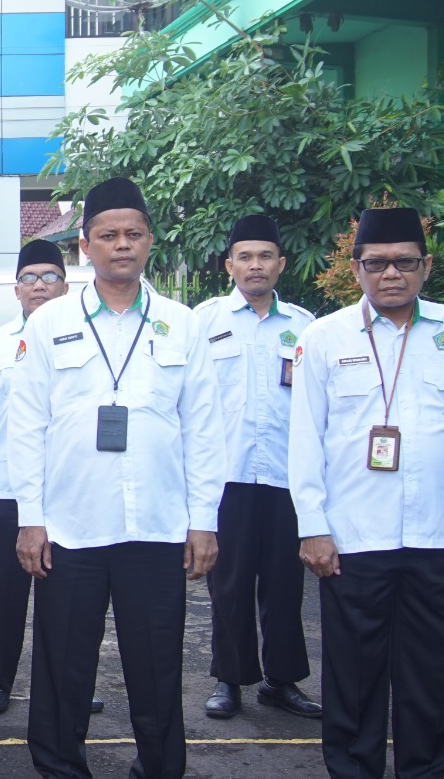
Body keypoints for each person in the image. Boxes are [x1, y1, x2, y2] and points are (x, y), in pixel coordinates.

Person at [6, 176, 224, 779]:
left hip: (156, 526)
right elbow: (26, 427)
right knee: (63, 669)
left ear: (150, 241)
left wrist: (204, 521)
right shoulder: (49, 324)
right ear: (85, 246)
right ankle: (60, 769)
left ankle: (158, 769)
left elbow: (205, 430)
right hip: (70, 527)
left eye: (133, 234)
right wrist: (31, 520)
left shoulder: (182, 324)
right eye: (107, 235)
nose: (121, 244)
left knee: (157, 669)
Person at [289, 206, 444, 779]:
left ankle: (424, 769)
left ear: (425, 266)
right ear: (355, 268)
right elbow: (304, 440)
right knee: (354, 672)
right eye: (377, 263)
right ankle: (353, 770)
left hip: (436, 533)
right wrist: (312, 526)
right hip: (355, 537)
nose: (391, 274)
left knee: (430, 670)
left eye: (405, 263)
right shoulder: (323, 337)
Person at [0, 239, 101, 717]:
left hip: (69, 492)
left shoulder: (90, 340)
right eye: (29, 278)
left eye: (50, 276)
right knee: (1, 595)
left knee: (71, 600)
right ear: (16, 289)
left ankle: (70, 685)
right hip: (4, 491)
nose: (40, 286)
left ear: (65, 286)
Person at [192, 215, 321, 721]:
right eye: (244, 257)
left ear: (281, 264)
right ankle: (230, 678)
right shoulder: (204, 322)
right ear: (229, 265)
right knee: (229, 583)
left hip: (288, 477)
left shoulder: (305, 326)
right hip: (227, 477)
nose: (255, 265)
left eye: (265, 256)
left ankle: (282, 680)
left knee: (286, 585)